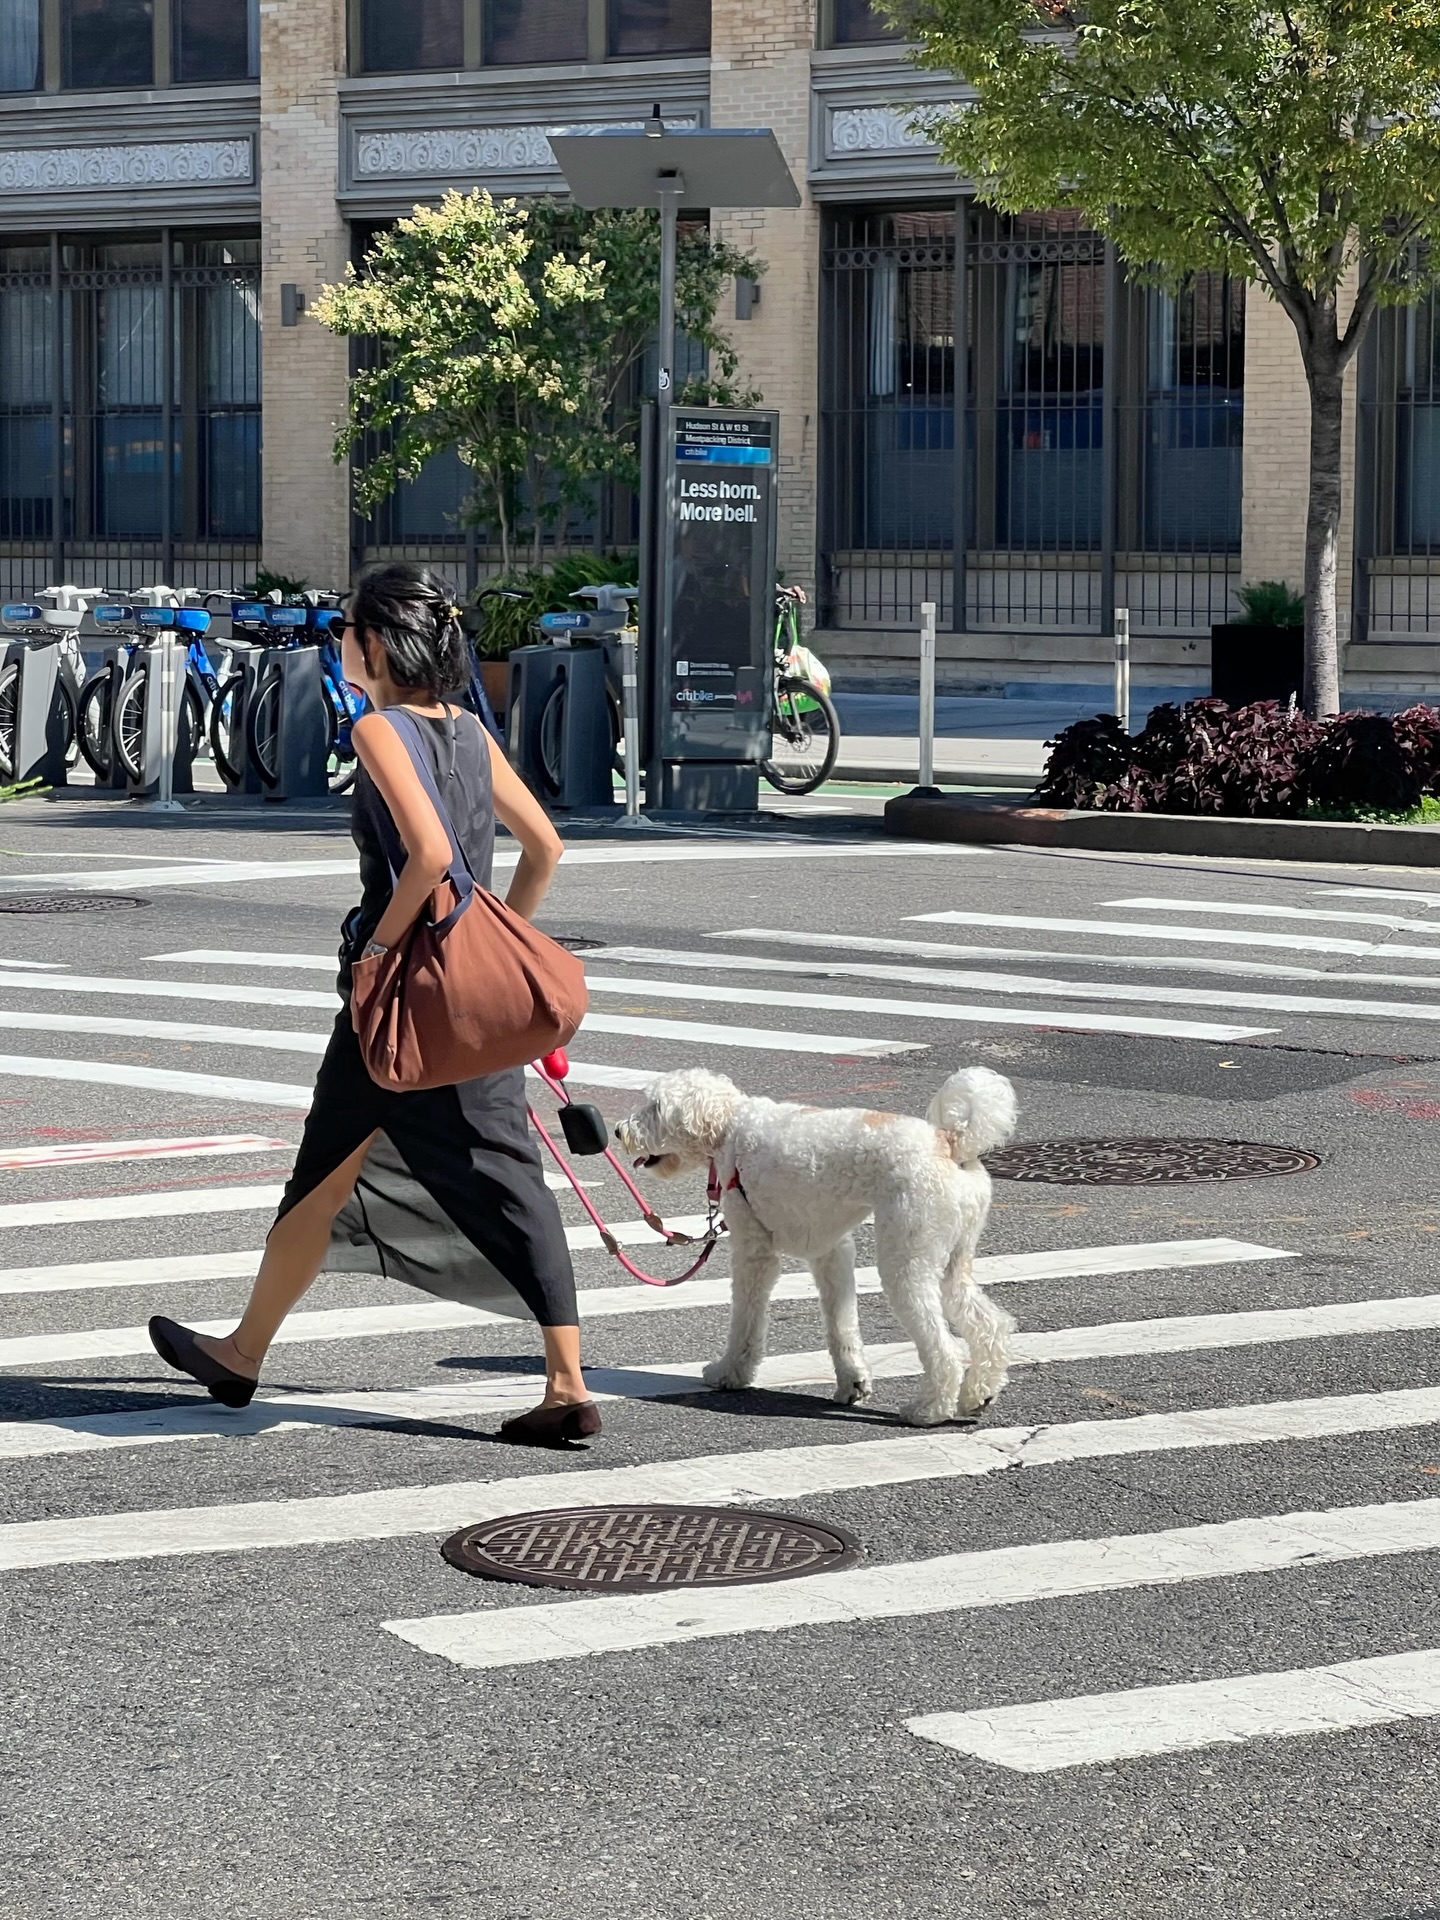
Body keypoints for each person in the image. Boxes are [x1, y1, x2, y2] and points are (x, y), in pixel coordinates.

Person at [148, 563, 600, 1448]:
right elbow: (544, 846)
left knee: (322, 1170)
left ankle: (242, 1354)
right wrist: (485, 949)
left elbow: (428, 854)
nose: (340, 641)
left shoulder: (379, 729)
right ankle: (567, 1383)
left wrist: (388, 953)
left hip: (394, 1004)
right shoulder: (469, 729)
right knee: (507, 1175)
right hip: (467, 1007)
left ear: (377, 644)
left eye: (347, 628)